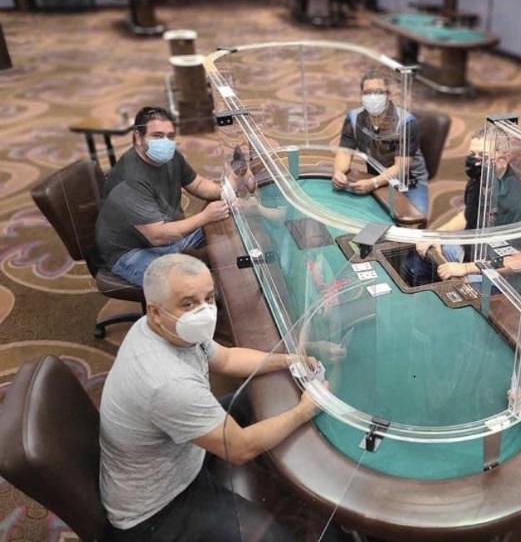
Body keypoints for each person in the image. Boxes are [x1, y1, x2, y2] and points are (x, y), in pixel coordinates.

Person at [99, 253, 323, 541]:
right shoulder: (168, 383)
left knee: (258, 399)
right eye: (188, 303)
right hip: (159, 508)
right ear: (155, 311)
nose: (204, 311)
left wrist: (290, 360)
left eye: (208, 298)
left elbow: (226, 359)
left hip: (181, 449)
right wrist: (304, 411)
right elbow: (240, 449)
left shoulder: (167, 329)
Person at [96, 106, 229, 287]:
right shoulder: (130, 179)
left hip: (169, 235)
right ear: (138, 137)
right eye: (157, 136)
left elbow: (198, 184)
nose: (165, 142)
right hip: (131, 252)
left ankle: (195, 264)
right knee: (183, 285)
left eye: (170, 136)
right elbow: (158, 236)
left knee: (227, 227)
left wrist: (227, 190)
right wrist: (205, 216)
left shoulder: (171, 157)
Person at [407, 128, 521, 284]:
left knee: (459, 291)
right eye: (472, 154)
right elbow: (467, 216)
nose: (475, 161)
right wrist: (437, 234)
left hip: (504, 277)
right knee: (419, 258)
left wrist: (466, 268)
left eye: (483, 156)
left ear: (503, 160)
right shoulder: (478, 180)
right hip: (475, 253)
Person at [331, 69, 429, 214]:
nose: (372, 97)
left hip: (409, 182)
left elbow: (401, 168)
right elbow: (345, 152)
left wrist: (374, 183)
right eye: (367, 93)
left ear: (389, 95)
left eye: (378, 92)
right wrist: (338, 172)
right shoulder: (354, 118)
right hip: (375, 175)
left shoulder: (406, 123)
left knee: (415, 218)